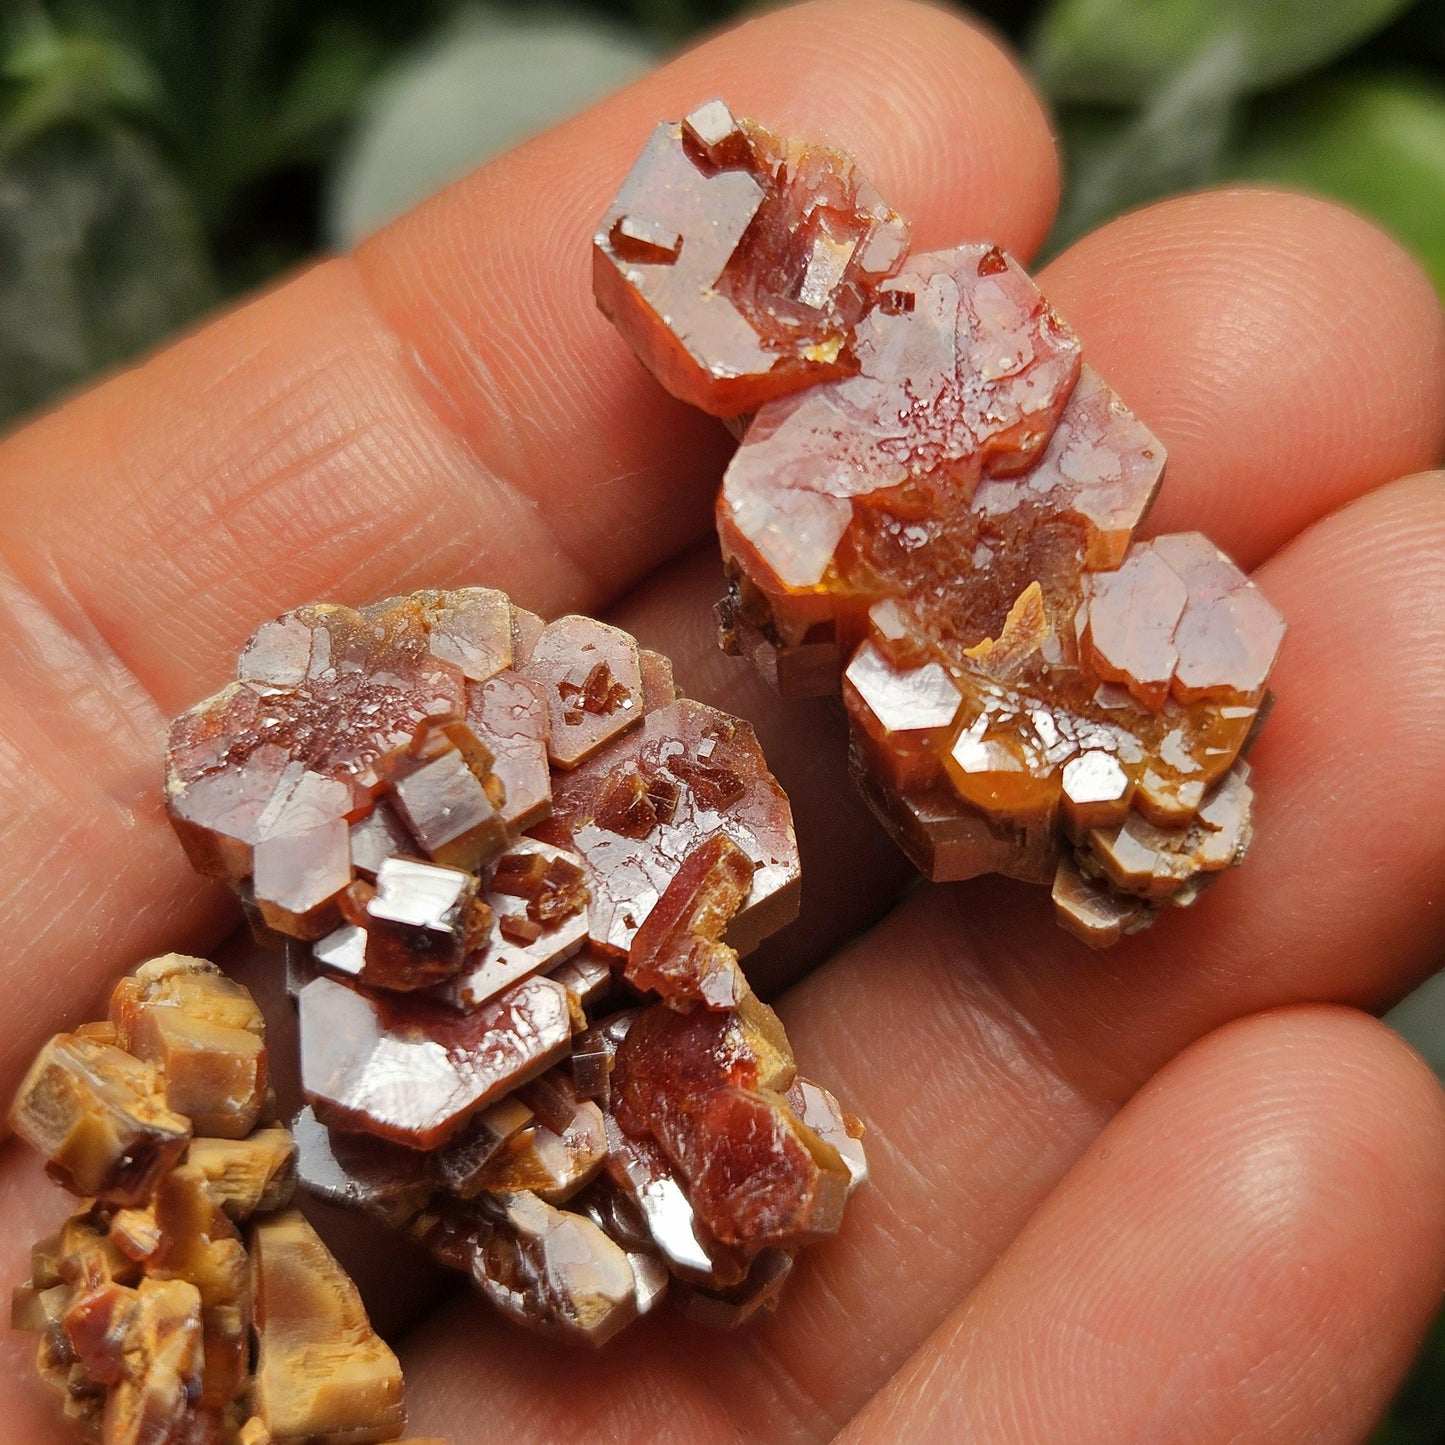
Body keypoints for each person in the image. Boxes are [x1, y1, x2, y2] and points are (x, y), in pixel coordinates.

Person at [1, 2, 1443, 1439]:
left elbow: (722, 768)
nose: (791, 279)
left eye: (790, 238)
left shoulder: (948, 348)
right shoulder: (755, 520)